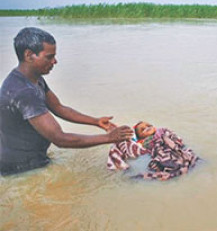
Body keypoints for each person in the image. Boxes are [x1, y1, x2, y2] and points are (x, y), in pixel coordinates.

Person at [0, 27, 134, 176]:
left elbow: (58, 107)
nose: (55, 61)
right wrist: (109, 138)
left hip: (34, 159)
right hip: (20, 168)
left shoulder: (34, 79)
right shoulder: (23, 91)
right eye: (49, 57)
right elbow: (60, 139)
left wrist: (96, 121)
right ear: (29, 55)